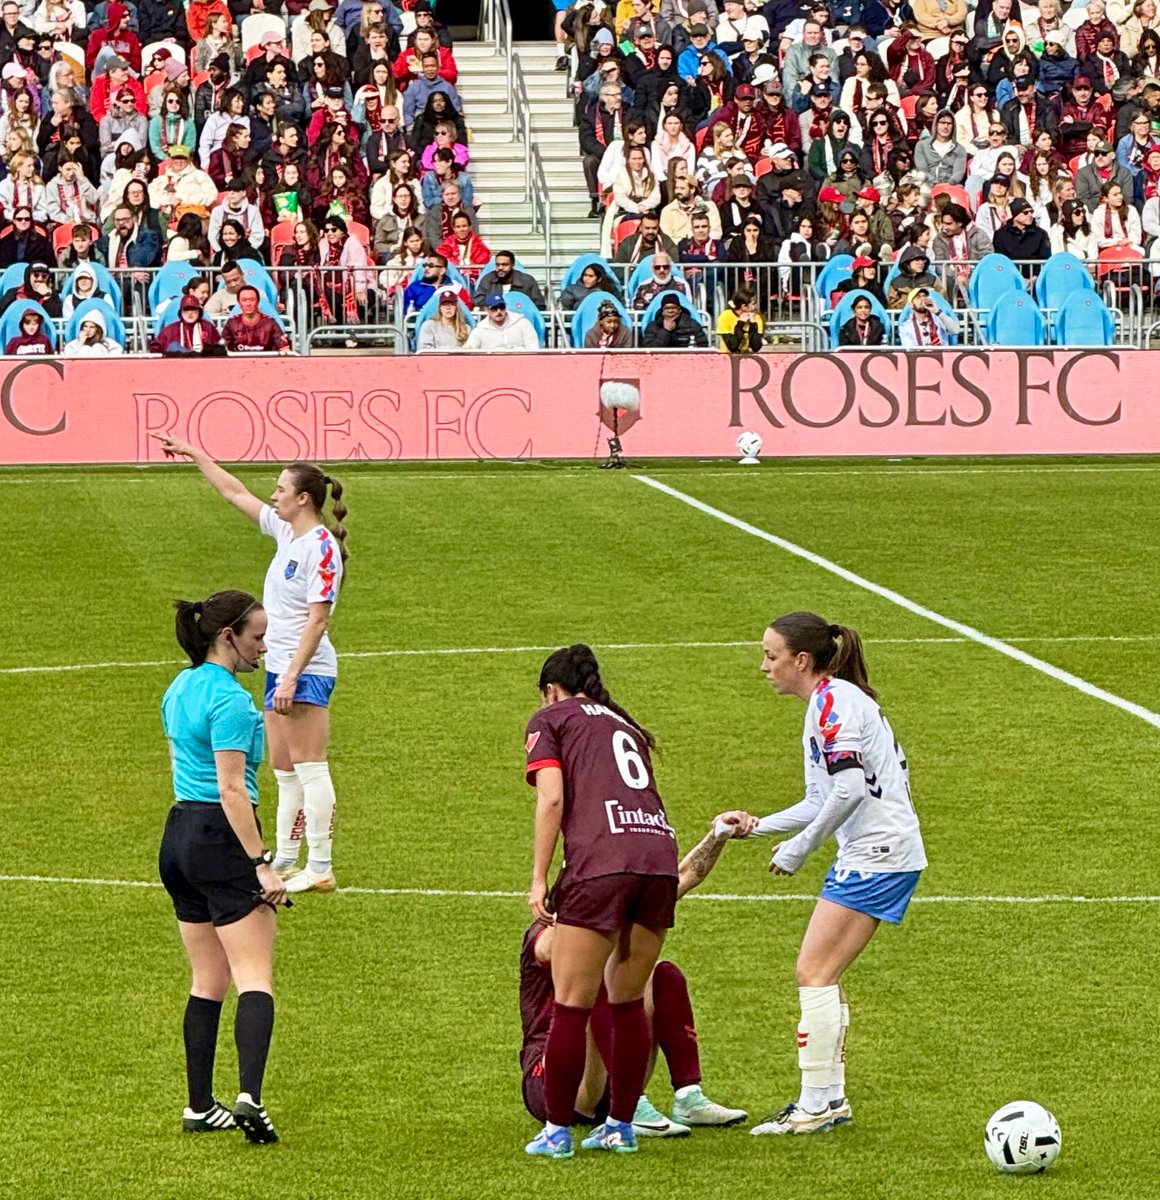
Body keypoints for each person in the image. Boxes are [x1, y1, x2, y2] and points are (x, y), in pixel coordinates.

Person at [727, 614, 925, 1136]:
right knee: (821, 974)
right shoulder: (827, 702)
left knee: (813, 972)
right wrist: (759, 827)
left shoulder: (833, 703)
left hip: (876, 854)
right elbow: (821, 798)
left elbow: (851, 789)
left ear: (801, 660)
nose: (763, 666)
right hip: (881, 851)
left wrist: (799, 848)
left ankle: (816, 1103)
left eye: (771, 655)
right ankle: (828, 1100)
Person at [152, 444, 348, 896]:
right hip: (281, 667)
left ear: (303, 498)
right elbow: (235, 493)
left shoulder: (321, 548)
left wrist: (293, 675)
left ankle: (321, 864)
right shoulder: (286, 531)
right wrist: (197, 455)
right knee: (284, 769)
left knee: (310, 766)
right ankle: (286, 857)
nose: (273, 495)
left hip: (306, 669)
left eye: (281, 489)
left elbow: (318, 620)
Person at [523, 644, 680, 1160]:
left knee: (571, 1003)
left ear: (551, 690)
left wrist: (539, 878)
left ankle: (556, 1132)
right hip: (658, 857)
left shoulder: (552, 718)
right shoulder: (624, 723)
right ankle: (620, 1126)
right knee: (628, 1001)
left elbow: (552, 797)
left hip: (603, 863)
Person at [521, 814, 749, 1139]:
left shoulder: (609, 912)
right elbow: (549, 949)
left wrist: (718, 836)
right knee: (598, 975)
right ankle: (635, 1106)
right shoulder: (542, 935)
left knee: (665, 976)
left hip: (610, 1076)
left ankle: (688, 1096)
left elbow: (684, 875)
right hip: (550, 1081)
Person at [158, 589, 283, 1143]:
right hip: (221, 836)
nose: (263, 646)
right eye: (257, 636)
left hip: (178, 835)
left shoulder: (179, 687)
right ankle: (250, 1098)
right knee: (255, 976)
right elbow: (232, 789)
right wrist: (261, 863)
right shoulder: (231, 700)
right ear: (228, 636)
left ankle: (199, 1105)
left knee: (207, 980)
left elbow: (184, 766)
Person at [222, 286, 294, 354]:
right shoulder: (232, 323)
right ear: (239, 303)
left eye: (252, 300)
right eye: (244, 300)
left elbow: (284, 348)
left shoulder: (270, 323)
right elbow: (222, 348)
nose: (248, 304)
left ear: (258, 301)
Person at [463, 292, 540, 351]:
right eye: (494, 308)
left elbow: (533, 349)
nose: (499, 311)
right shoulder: (479, 330)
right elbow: (470, 351)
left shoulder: (523, 323)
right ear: (487, 310)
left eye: (502, 307)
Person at [150, 294, 223, 354]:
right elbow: (155, 349)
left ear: (199, 311)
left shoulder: (209, 327)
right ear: (181, 312)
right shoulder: (170, 330)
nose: (190, 313)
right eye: (186, 310)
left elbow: (219, 348)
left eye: (193, 309)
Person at [641, 293, 709, 347]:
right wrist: (666, 331)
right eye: (667, 308)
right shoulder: (653, 326)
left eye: (673, 308)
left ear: (679, 310)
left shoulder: (692, 324)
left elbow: (703, 346)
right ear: (662, 311)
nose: (670, 311)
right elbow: (650, 350)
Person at [416, 286, 470, 351]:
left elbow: (470, 351)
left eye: (452, 304)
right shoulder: (429, 326)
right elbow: (424, 350)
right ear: (440, 308)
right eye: (444, 304)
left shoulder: (466, 328)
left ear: (456, 307)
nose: (448, 308)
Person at [716, 287, 765, 352]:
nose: (757, 307)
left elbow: (756, 347)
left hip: (748, 357)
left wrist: (753, 325)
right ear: (744, 306)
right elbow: (732, 346)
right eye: (754, 304)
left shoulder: (756, 318)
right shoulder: (725, 317)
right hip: (727, 356)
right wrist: (740, 324)